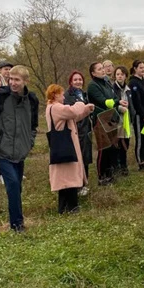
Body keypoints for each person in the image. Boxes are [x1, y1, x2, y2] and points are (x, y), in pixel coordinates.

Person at [0, 65, 39, 233]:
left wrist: (30, 142)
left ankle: (16, 219)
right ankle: (17, 225)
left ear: (25, 81)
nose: (13, 83)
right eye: (11, 79)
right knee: (12, 184)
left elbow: (33, 125)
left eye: (17, 80)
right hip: (2, 152)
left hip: (21, 152)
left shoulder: (32, 100)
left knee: (17, 186)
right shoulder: (0, 98)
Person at [45, 84, 95, 214]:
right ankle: (72, 207)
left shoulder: (54, 108)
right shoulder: (56, 107)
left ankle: (64, 207)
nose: (63, 96)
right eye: (61, 94)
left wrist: (86, 110)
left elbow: (73, 117)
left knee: (65, 181)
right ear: (55, 95)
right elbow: (72, 111)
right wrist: (81, 102)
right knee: (69, 179)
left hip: (63, 148)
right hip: (66, 148)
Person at [87, 62, 127, 185]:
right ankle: (101, 176)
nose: (103, 70)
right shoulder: (92, 86)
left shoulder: (107, 82)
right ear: (93, 73)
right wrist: (117, 102)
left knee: (112, 147)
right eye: (99, 69)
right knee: (103, 149)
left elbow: (113, 97)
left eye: (102, 68)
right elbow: (104, 101)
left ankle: (110, 174)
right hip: (100, 119)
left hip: (111, 117)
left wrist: (118, 102)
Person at [64, 71, 94, 196]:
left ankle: (84, 183)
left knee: (85, 156)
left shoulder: (83, 94)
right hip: (76, 130)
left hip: (86, 129)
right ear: (71, 82)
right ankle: (77, 186)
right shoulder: (67, 95)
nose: (78, 82)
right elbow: (70, 113)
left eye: (80, 79)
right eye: (75, 80)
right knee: (78, 158)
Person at [113, 66, 134, 176]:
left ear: (125, 76)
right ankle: (118, 167)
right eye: (117, 74)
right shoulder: (112, 88)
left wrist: (131, 112)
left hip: (127, 120)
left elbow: (131, 103)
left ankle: (124, 165)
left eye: (122, 74)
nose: (119, 76)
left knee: (126, 143)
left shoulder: (128, 89)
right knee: (119, 144)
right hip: (117, 121)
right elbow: (112, 104)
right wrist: (119, 107)